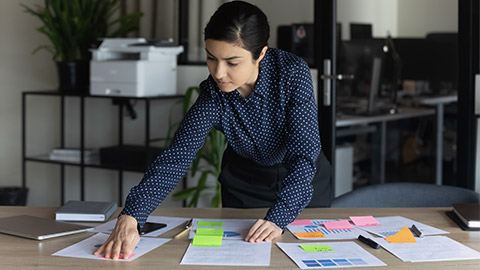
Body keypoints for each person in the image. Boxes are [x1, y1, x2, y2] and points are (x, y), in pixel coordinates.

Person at [94, 0, 331, 260]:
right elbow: (177, 157)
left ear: (261, 54)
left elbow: (304, 152)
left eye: (232, 62)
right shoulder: (213, 96)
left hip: (302, 179)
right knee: (243, 257)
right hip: (245, 183)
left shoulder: (291, 73)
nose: (219, 73)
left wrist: (279, 217)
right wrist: (131, 215)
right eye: (211, 58)